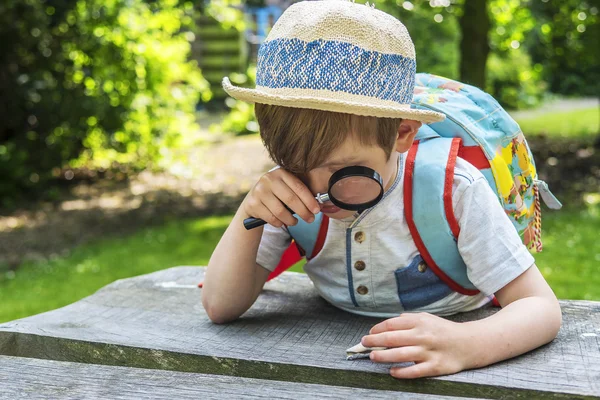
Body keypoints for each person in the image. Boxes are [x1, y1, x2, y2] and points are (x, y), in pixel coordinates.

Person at [201, 0, 562, 379]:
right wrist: (251, 212)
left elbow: (540, 307)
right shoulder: (289, 189)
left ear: (403, 133)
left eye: (342, 171)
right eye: (292, 164)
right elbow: (220, 305)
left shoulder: (453, 189)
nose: (317, 194)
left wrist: (467, 343)